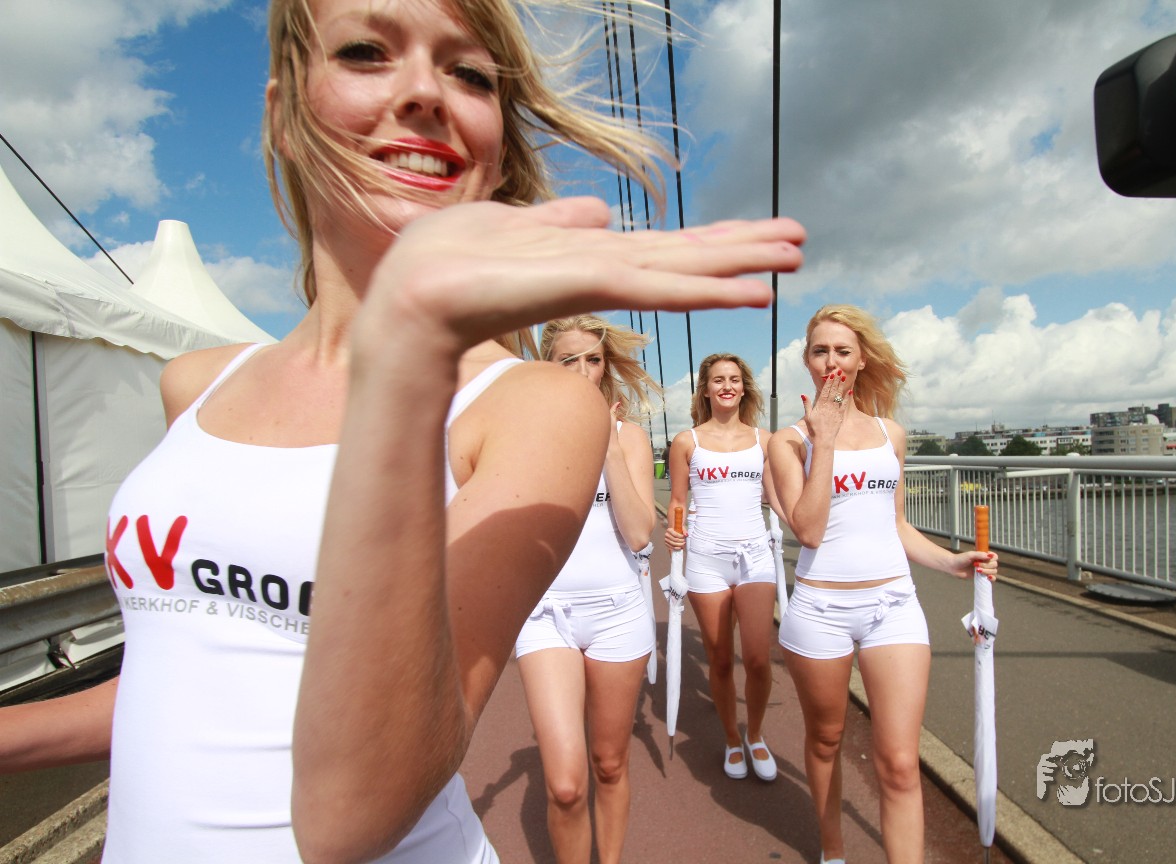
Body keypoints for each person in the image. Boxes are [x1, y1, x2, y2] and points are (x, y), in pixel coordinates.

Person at [0, 1, 805, 862]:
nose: (425, 90)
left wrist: (407, 349)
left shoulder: (531, 405)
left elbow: (354, 816)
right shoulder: (197, 384)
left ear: (495, 149)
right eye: (364, 51)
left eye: (469, 73)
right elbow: (180, 684)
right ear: (282, 114)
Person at [767, 305, 995, 864]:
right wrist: (822, 441)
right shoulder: (787, 443)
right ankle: (833, 850)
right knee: (826, 740)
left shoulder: (890, 433)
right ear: (807, 361)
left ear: (861, 359)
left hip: (892, 603)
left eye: (843, 350)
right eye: (820, 350)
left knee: (898, 761)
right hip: (820, 608)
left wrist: (951, 562)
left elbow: (895, 523)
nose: (832, 361)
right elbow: (809, 530)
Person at [514, 315, 658, 864]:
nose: (581, 370)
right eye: (567, 360)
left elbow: (640, 533)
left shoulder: (630, 438)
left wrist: (607, 446)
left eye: (592, 360)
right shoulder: (523, 435)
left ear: (605, 368)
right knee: (566, 783)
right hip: (545, 615)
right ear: (547, 367)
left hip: (618, 613)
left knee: (609, 763)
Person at [663, 353, 784, 782]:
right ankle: (733, 739)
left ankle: (756, 735)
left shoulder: (764, 441)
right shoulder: (686, 442)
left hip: (755, 557)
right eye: (718, 380)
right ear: (706, 389)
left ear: (744, 387)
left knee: (758, 658)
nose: (727, 386)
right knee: (718, 659)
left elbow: (777, 499)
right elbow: (678, 502)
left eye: (734, 379)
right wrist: (674, 532)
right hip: (705, 560)